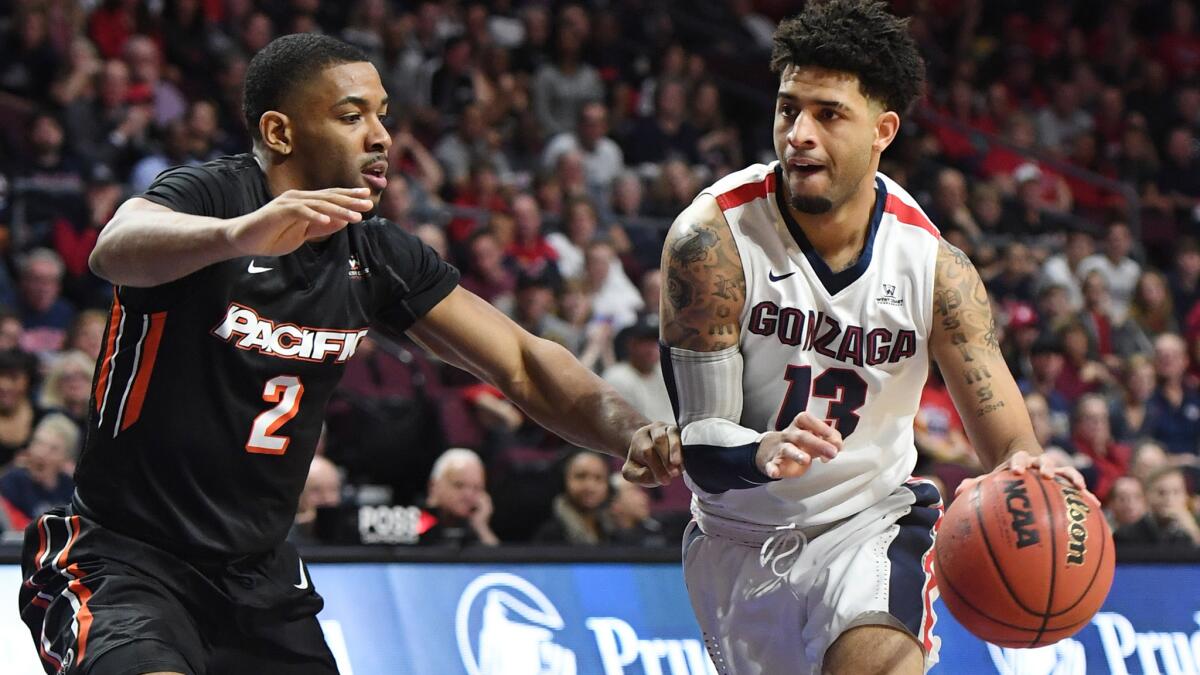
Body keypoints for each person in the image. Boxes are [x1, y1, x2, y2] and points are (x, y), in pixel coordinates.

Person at [19, 34, 680, 675]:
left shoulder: (375, 254)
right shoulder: (212, 198)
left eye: (382, 115)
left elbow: (522, 361)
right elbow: (116, 245)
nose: (381, 136)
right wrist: (236, 235)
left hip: (260, 576)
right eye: (351, 115)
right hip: (126, 560)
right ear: (280, 133)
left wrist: (629, 429)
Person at [645, 3, 1094, 673]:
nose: (798, 134)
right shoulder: (711, 241)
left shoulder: (934, 268)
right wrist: (763, 448)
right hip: (736, 534)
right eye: (788, 108)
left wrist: (1030, 472)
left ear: (883, 130)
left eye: (828, 114)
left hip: (872, 523)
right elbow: (702, 439)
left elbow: (1009, 444)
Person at [419, 447, 498, 547]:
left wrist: (481, 527)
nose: (468, 496)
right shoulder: (414, 522)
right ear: (434, 486)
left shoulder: (478, 526)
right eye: (459, 485)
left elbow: (497, 560)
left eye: (477, 488)